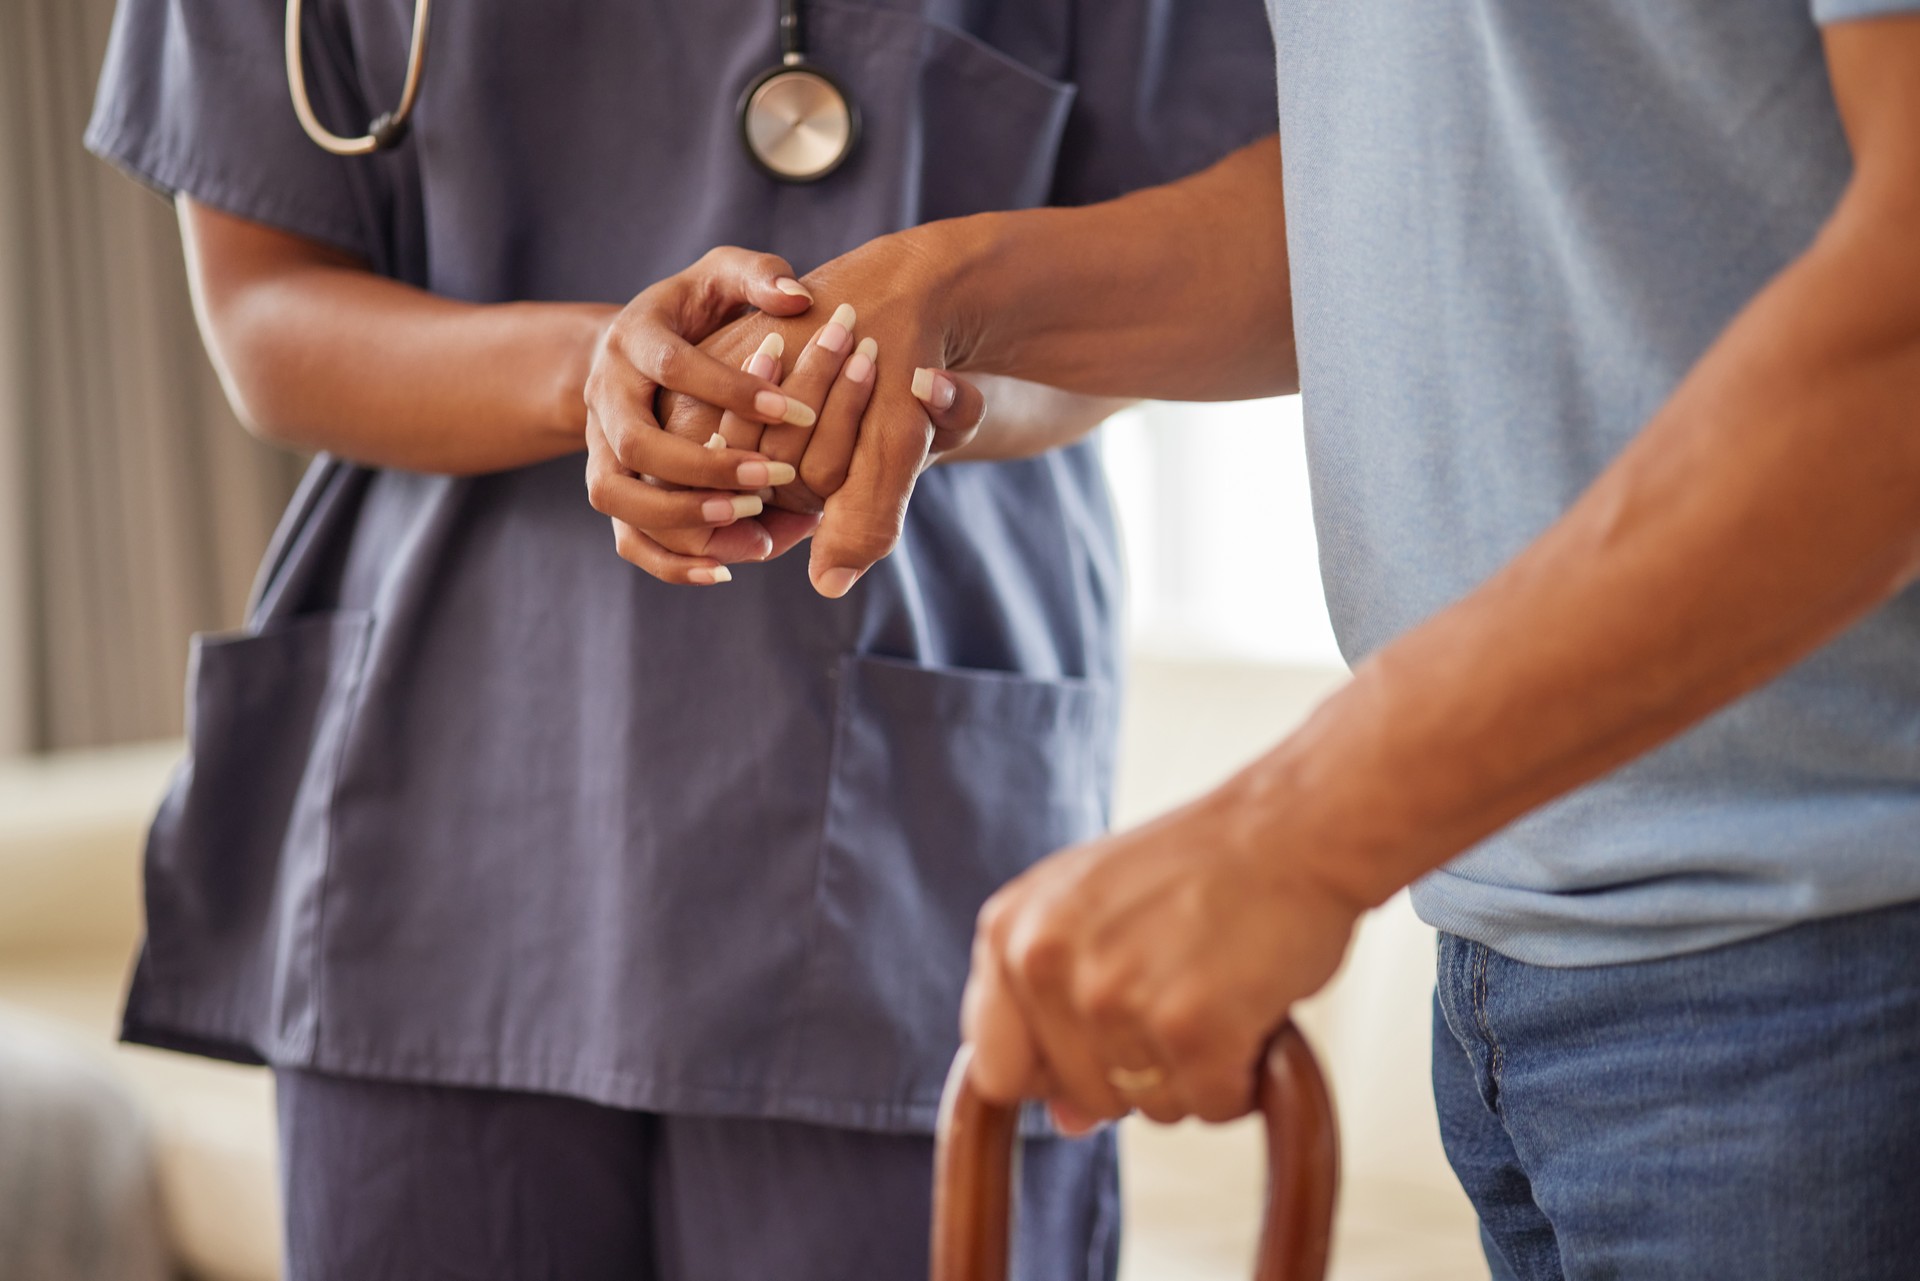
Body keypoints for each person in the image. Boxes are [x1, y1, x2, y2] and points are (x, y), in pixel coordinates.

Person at [587, 4, 1920, 1276]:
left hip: (1838, 939)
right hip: (1529, 947)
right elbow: (1405, 202)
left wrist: (1303, 823)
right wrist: (951, 286)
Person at [81, 2, 1276, 1277]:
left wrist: (918, 394)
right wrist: (593, 373)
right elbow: (264, 316)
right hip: (444, 814)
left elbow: (1229, 263)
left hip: (899, 834)